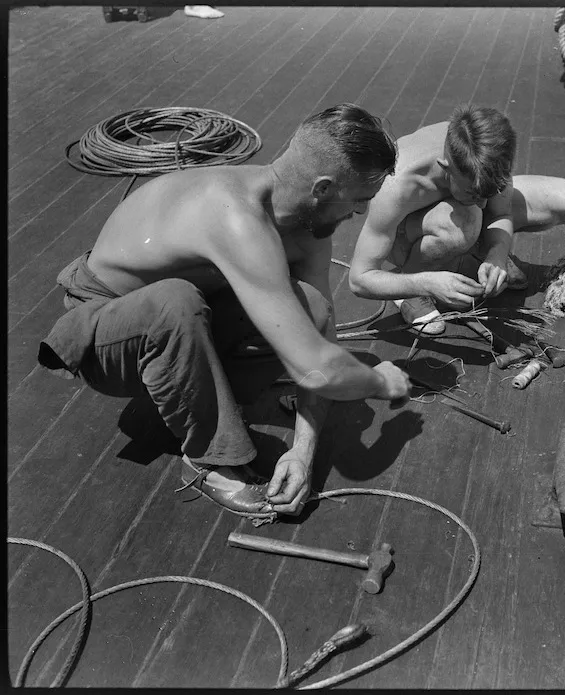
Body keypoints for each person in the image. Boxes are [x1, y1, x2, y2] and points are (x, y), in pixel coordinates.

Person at [38, 104, 411, 519]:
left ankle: (195, 390)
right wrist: (380, 380)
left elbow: (320, 338)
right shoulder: (234, 215)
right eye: (359, 200)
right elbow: (314, 367)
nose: (360, 213)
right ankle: (211, 460)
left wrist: (301, 452)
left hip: (190, 317)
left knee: (313, 305)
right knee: (175, 300)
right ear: (322, 189)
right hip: (103, 330)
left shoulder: (308, 229)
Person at [349, 104, 565, 334]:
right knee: (468, 218)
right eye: (473, 193)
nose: (485, 204)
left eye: (490, 193)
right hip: (406, 236)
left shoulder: (488, 152)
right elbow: (359, 279)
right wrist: (426, 283)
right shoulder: (398, 185)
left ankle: (472, 253)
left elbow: (500, 212)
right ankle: (409, 290)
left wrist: (497, 256)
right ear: (446, 168)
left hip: (460, 211)